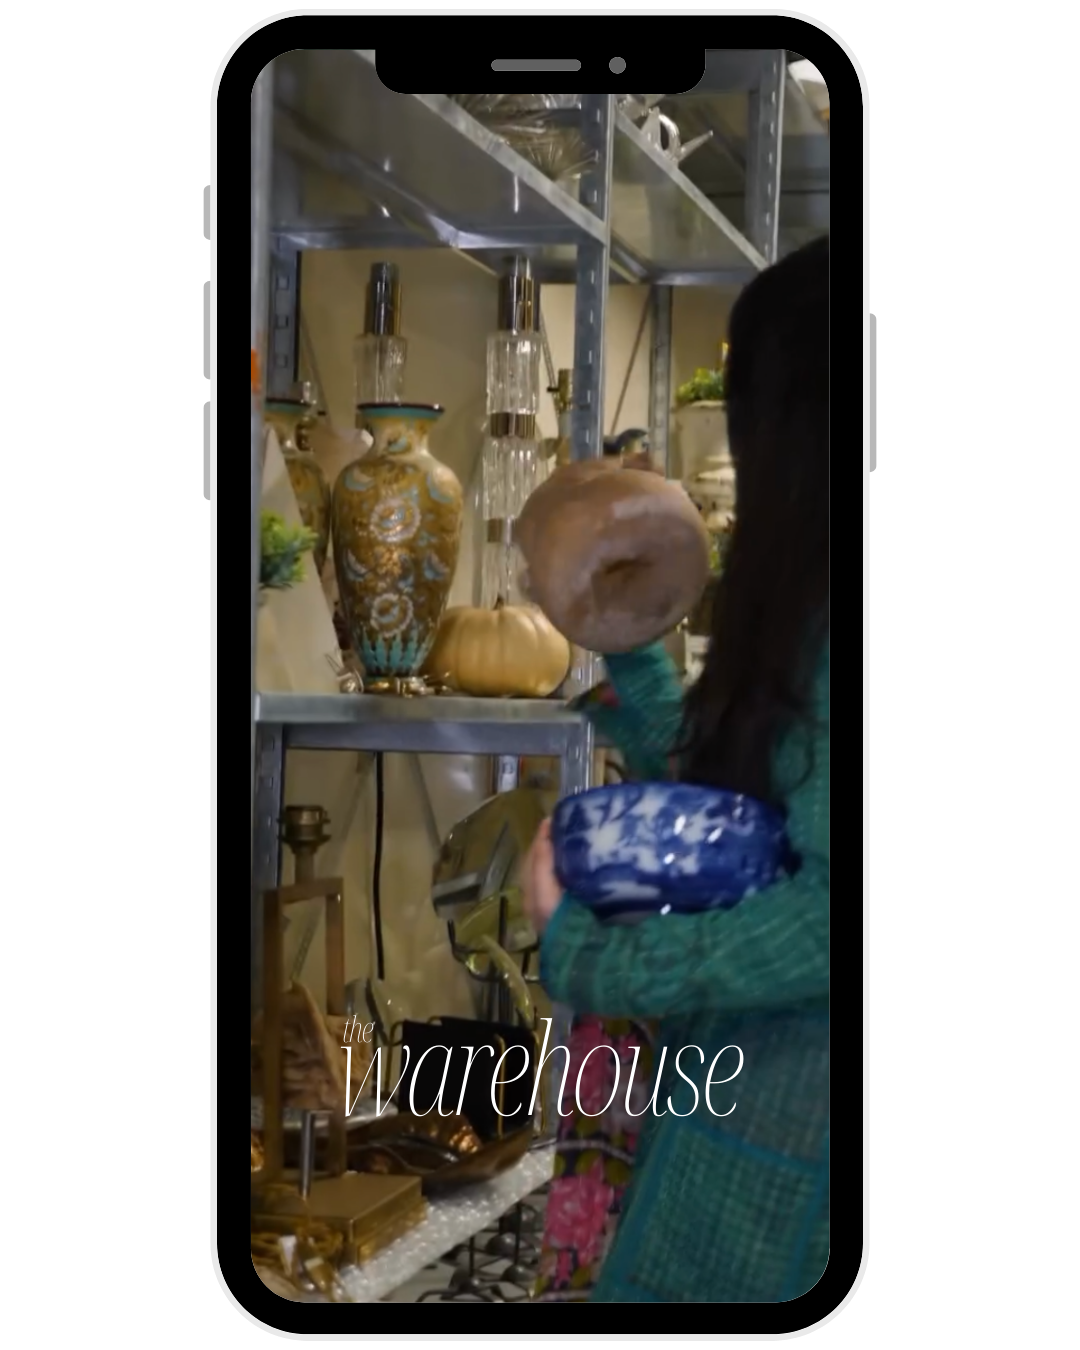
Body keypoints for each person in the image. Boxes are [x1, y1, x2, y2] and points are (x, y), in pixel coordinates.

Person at [524, 235, 830, 1304]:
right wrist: (624, 626)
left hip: (796, 1168)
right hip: (744, 1125)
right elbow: (743, 813)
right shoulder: (815, 596)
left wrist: (599, 960)